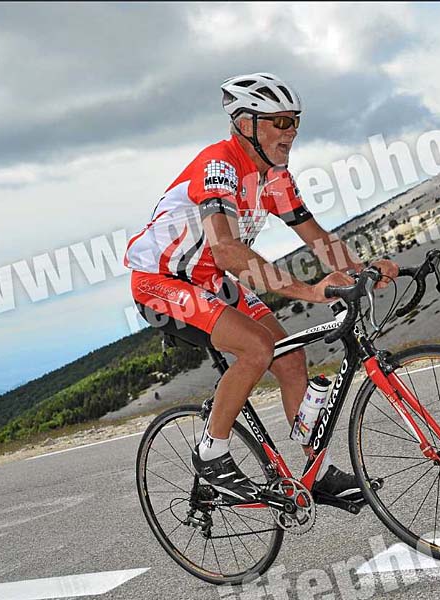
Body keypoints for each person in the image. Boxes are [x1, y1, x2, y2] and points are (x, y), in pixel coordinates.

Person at [125, 73, 398, 504]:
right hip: (162, 283)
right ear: (245, 123)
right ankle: (212, 455)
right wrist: (310, 291)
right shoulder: (219, 166)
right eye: (280, 122)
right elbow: (230, 251)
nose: (291, 132)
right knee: (256, 348)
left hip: (211, 280)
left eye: (295, 122)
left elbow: (316, 237)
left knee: (290, 360)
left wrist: (362, 268)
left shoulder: (275, 176)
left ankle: (317, 472)